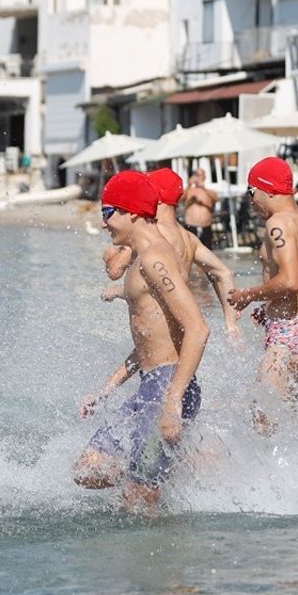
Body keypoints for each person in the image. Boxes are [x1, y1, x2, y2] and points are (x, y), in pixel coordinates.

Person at [75, 171, 211, 510]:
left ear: (132, 212)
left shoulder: (155, 258)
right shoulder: (141, 259)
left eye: (108, 213)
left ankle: (160, 490)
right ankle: (167, 471)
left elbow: (197, 328)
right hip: (149, 386)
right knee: (88, 469)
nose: (104, 224)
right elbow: (153, 339)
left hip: (167, 386)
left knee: (139, 500)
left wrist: (173, 401)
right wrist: (107, 389)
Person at [227, 157, 298, 429]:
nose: (251, 201)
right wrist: (278, 305)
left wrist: (247, 296)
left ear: (268, 190)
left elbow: (289, 281)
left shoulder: (278, 224)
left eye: (251, 192)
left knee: (262, 414)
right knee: (285, 417)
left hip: (286, 332)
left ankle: (273, 472)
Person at [103, 169, 242, 341]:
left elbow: (115, 271)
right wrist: (231, 324)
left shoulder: (150, 235)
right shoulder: (189, 238)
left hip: (156, 332)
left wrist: (109, 258)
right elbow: (224, 273)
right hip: (180, 330)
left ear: (154, 196)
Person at [182, 169, 220, 249]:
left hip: (206, 226)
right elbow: (179, 199)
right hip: (191, 226)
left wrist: (204, 188)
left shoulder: (209, 191)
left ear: (204, 177)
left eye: (200, 175)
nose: (198, 177)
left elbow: (216, 198)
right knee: (190, 250)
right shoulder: (189, 191)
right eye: (196, 175)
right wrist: (189, 184)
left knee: (207, 251)